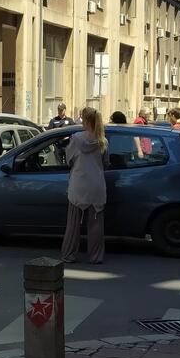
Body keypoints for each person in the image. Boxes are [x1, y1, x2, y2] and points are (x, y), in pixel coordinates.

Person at [61, 107, 107, 265]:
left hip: (79, 184)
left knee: (73, 224)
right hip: (97, 185)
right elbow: (106, 163)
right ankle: (96, 256)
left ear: (85, 121)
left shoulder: (76, 138)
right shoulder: (103, 141)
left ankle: (69, 254)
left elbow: (69, 159)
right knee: (96, 224)